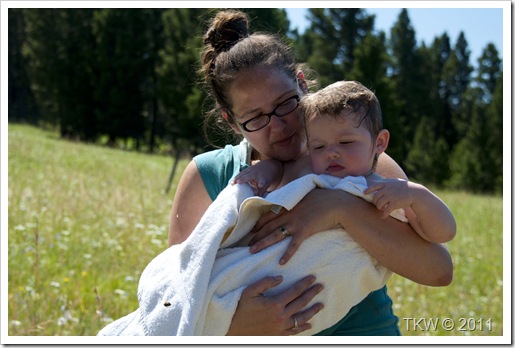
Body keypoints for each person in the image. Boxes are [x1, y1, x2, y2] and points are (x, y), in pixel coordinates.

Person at [168, 9, 453, 336]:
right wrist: (234, 326)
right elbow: (175, 297)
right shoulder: (208, 176)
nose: (278, 126)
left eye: (286, 103)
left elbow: (439, 271)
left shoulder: (356, 163)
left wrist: (339, 209)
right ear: (231, 121)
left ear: (303, 85)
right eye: (255, 118)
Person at [232, 80, 456, 244]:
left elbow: (442, 234)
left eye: (346, 142)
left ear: (380, 142)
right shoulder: (310, 171)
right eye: (319, 147)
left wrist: (417, 196)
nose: (331, 153)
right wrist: (264, 170)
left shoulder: (383, 189)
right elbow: (280, 170)